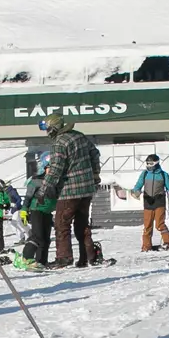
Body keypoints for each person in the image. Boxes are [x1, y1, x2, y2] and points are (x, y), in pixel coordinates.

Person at [31, 111, 101, 267]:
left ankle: (64, 258)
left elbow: (55, 169)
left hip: (70, 190)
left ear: (54, 127)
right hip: (87, 189)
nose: (47, 132)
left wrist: (43, 190)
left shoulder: (59, 143)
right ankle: (88, 257)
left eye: (48, 129)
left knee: (61, 224)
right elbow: (95, 153)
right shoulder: (79, 136)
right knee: (82, 224)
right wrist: (95, 174)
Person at [129, 153, 169, 251]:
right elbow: (138, 185)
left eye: (151, 164)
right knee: (147, 225)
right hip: (148, 202)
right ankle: (146, 246)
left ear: (156, 163)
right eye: (147, 163)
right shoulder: (144, 174)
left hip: (159, 202)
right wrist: (135, 191)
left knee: (159, 224)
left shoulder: (163, 175)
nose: (149, 166)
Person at [18, 161, 55, 270]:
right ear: (44, 168)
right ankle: (26, 258)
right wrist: (24, 210)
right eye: (49, 168)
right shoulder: (36, 181)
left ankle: (41, 262)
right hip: (36, 210)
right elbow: (28, 197)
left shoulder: (55, 182)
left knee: (46, 239)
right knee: (37, 237)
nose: (51, 170)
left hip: (47, 212)